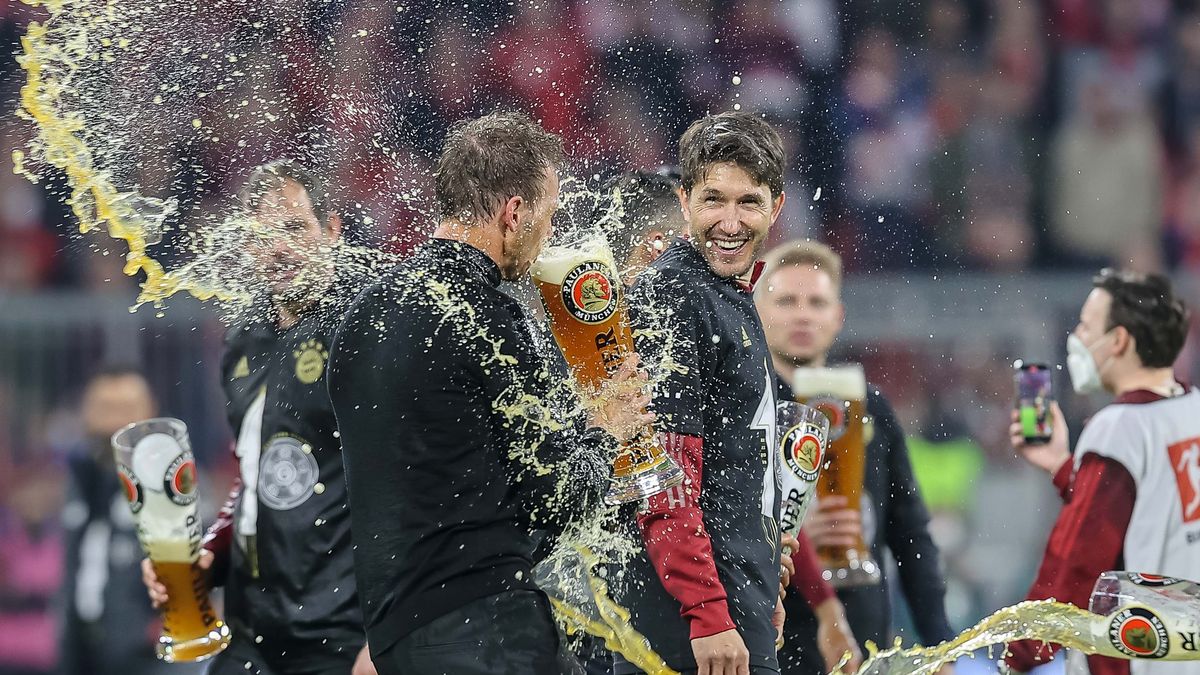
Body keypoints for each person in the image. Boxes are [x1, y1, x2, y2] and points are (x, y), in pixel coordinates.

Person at [327, 111, 651, 675]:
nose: (548, 233)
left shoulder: (360, 314)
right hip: (488, 624)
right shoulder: (485, 313)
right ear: (514, 212)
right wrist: (608, 429)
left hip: (393, 632)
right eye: (547, 215)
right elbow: (555, 498)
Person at [141, 160, 375, 675]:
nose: (279, 247)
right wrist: (208, 555)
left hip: (341, 635)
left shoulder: (365, 329)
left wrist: (388, 636)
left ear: (332, 229)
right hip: (251, 632)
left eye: (294, 228)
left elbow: (408, 491)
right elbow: (254, 479)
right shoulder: (243, 339)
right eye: (264, 234)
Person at [613, 110, 792, 675]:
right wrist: (709, 612)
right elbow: (656, 475)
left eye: (749, 202)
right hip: (694, 631)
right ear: (684, 199)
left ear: (777, 206)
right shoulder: (674, 296)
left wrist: (760, 581)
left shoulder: (725, 295)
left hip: (730, 612)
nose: (730, 222)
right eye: (714, 199)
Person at [754, 240, 955, 675]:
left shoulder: (873, 406)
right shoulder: (743, 405)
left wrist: (939, 643)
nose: (803, 313)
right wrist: (792, 530)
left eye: (817, 302)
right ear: (757, 310)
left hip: (864, 637)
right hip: (773, 637)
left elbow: (911, 534)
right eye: (787, 300)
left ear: (837, 316)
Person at [1005, 269, 1196, 675]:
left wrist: (1014, 656)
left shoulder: (1118, 429)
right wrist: (1062, 465)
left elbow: (1074, 565)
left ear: (1119, 341)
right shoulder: (1191, 410)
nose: (1077, 336)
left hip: (1140, 658)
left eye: (1086, 325)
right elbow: (1149, 510)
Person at [58, 367, 202, 675]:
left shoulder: (171, 482)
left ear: (151, 411)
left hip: (151, 658)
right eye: (105, 409)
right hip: (82, 650)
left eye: (126, 409)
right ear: (85, 412)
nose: (115, 422)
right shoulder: (79, 479)